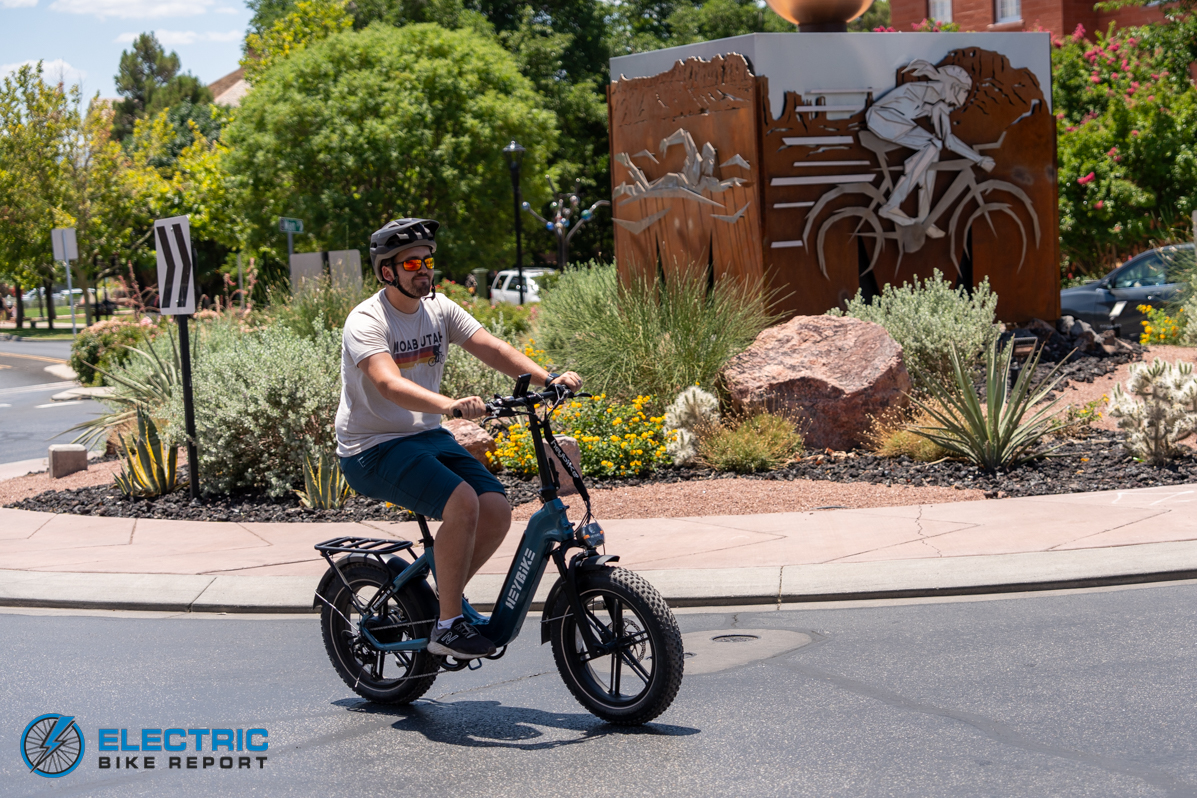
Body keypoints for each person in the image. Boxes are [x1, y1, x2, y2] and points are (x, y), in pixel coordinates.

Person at [335, 218, 582, 660]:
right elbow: (388, 383)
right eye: (411, 262)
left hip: (424, 436)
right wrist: (449, 404)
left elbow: (492, 347)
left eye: (427, 260)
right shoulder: (366, 320)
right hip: (372, 448)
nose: (423, 269)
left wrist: (551, 379)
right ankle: (447, 624)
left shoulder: (440, 309)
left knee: (496, 508)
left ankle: (441, 600)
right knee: (462, 502)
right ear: (386, 271)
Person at [865, 61, 996, 236]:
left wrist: (978, 159)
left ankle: (924, 220)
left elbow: (949, 140)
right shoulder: (928, 91)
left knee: (932, 154)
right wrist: (978, 159)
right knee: (932, 145)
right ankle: (892, 205)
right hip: (881, 117)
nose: (965, 96)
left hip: (895, 121)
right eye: (965, 90)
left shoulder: (939, 104)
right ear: (954, 86)